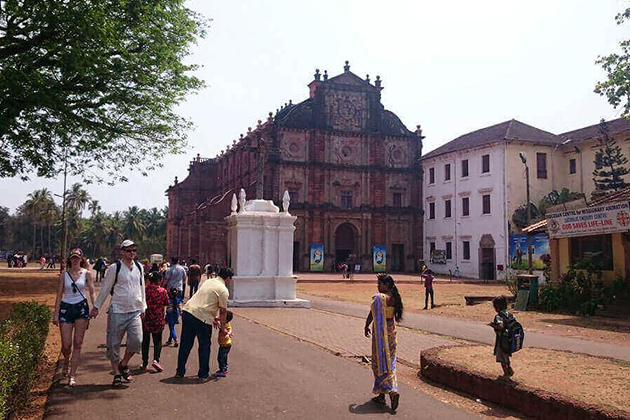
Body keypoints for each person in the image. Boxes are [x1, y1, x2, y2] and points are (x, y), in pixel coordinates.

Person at [90, 239, 146, 387]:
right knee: (114, 343)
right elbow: (106, 288)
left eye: (134, 250)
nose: (132, 253)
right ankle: (116, 373)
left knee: (136, 340)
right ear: (122, 252)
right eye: (128, 250)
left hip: (134, 310)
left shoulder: (139, 267)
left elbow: (142, 289)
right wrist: (96, 307)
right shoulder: (115, 268)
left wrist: (143, 307)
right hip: (118, 310)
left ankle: (124, 363)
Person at [176, 267, 232, 381]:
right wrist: (222, 327)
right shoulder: (223, 290)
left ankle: (180, 371)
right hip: (202, 317)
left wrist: (213, 318)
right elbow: (223, 311)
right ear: (228, 278)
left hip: (188, 311)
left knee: (186, 344)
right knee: (204, 346)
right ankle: (203, 374)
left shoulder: (208, 281)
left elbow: (206, 300)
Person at [52, 248, 96, 386]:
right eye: (73, 257)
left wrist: (95, 306)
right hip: (66, 308)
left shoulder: (86, 274)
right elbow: (59, 294)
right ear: (70, 259)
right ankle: (66, 359)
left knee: (78, 343)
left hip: (81, 308)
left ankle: (72, 375)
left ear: (81, 259)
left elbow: (92, 291)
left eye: (78, 257)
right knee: (66, 344)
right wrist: (56, 313)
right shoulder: (64, 274)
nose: (75, 260)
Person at [364, 274, 402, 412]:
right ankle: (385, 394)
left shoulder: (381, 298)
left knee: (379, 362)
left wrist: (366, 325)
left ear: (387, 285)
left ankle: (390, 392)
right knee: (390, 362)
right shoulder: (395, 298)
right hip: (391, 332)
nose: (378, 286)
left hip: (381, 334)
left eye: (380, 284)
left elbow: (372, 313)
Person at [141, 271, 169, 372]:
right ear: (159, 280)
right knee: (157, 341)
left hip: (146, 319)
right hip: (158, 319)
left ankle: (144, 363)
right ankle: (156, 360)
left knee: (145, 341)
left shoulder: (144, 291)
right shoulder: (162, 291)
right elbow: (166, 302)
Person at [489, 296, 515, 379]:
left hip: (501, 339)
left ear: (497, 307)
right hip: (510, 339)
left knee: (501, 356)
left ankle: (506, 373)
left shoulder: (498, 316)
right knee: (506, 355)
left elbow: (500, 326)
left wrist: (493, 325)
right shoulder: (510, 315)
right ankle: (509, 368)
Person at [215, 310, 233, 378]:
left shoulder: (226, 325)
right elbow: (217, 319)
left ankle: (222, 370)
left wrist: (228, 334)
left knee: (221, 358)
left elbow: (229, 330)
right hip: (223, 344)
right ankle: (224, 368)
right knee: (223, 357)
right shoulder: (223, 323)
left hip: (225, 345)